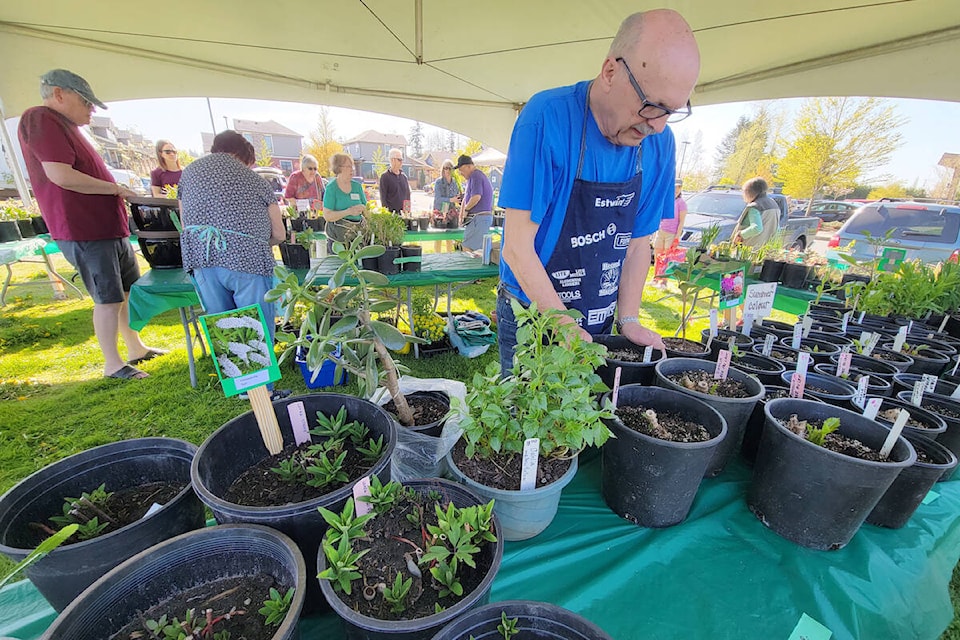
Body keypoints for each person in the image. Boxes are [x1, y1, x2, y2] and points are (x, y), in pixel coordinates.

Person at [496, 9, 699, 373]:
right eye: (651, 106)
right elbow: (516, 247)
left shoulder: (660, 144)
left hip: (598, 316)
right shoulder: (546, 117)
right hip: (532, 314)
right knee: (523, 416)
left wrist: (630, 319)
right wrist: (560, 322)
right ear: (610, 71)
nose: (655, 125)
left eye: (670, 111)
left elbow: (638, 243)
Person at [17, 69, 165, 380]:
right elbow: (60, 174)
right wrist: (114, 188)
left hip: (107, 226)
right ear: (59, 94)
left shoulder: (67, 126)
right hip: (85, 228)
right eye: (86, 101)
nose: (91, 109)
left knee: (125, 291)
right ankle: (112, 364)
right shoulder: (41, 119)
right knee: (107, 296)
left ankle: (135, 348)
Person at [178, 130, 287, 398]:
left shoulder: (189, 174)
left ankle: (243, 389)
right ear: (243, 156)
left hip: (203, 259)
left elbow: (184, 224)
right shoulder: (256, 180)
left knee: (224, 322)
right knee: (256, 326)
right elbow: (280, 233)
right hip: (247, 259)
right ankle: (262, 393)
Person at [323, 152, 367, 244]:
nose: (352, 170)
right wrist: (348, 211)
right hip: (337, 235)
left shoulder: (357, 186)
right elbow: (327, 215)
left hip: (356, 234)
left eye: (352, 167)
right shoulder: (331, 188)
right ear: (339, 168)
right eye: (348, 167)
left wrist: (362, 208)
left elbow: (365, 206)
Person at [453, 155, 494, 252]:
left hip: (479, 218)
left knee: (469, 249)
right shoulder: (471, 179)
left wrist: (466, 210)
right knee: (471, 248)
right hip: (477, 219)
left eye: (461, 170)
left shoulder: (476, 176)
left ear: (469, 166)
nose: (460, 173)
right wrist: (462, 213)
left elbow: (476, 197)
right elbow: (466, 198)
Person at [652, 178, 687, 287]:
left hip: (671, 233)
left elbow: (681, 221)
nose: (676, 190)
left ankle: (664, 281)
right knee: (658, 255)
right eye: (675, 187)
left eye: (678, 188)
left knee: (667, 258)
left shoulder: (681, 203)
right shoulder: (666, 200)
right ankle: (656, 278)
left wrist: (677, 236)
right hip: (661, 230)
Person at [731, 176, 780, 249]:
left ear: (750, 191)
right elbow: (777, 228)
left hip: (751, 250)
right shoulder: (773, 204)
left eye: (744, 191)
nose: (743, 194)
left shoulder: (755, 206)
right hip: (766, 249)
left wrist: (740, 234)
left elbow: (757, 228)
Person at [378, 148, 410, 214]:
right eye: (399, 160)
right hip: (391, 215)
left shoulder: (404, 177)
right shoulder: (385, 177)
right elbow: (383, 198)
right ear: (392, 160)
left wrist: (407, 212)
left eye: (402, 160)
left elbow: (407, 196)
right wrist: (387, 214)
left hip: (403, 214)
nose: (401, 162)